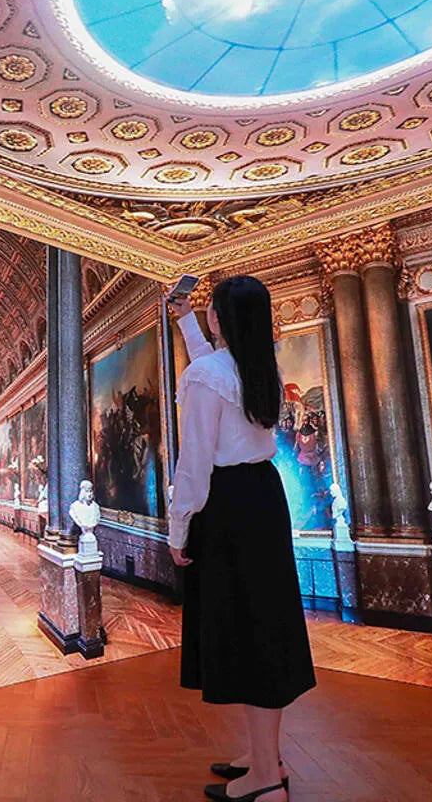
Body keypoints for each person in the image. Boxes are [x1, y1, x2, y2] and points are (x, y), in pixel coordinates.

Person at [166, 277, 315, 802]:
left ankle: (267, 782)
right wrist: (186, 321)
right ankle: (265, 756)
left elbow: (195, 462)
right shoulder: (261, 368)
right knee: (264, 625)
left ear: (222, 320)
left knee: (247, 633)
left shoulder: (208, 376)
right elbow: (215, 367)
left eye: (209, 310)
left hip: (226, 506)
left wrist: (178, 526)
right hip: (263, 500)